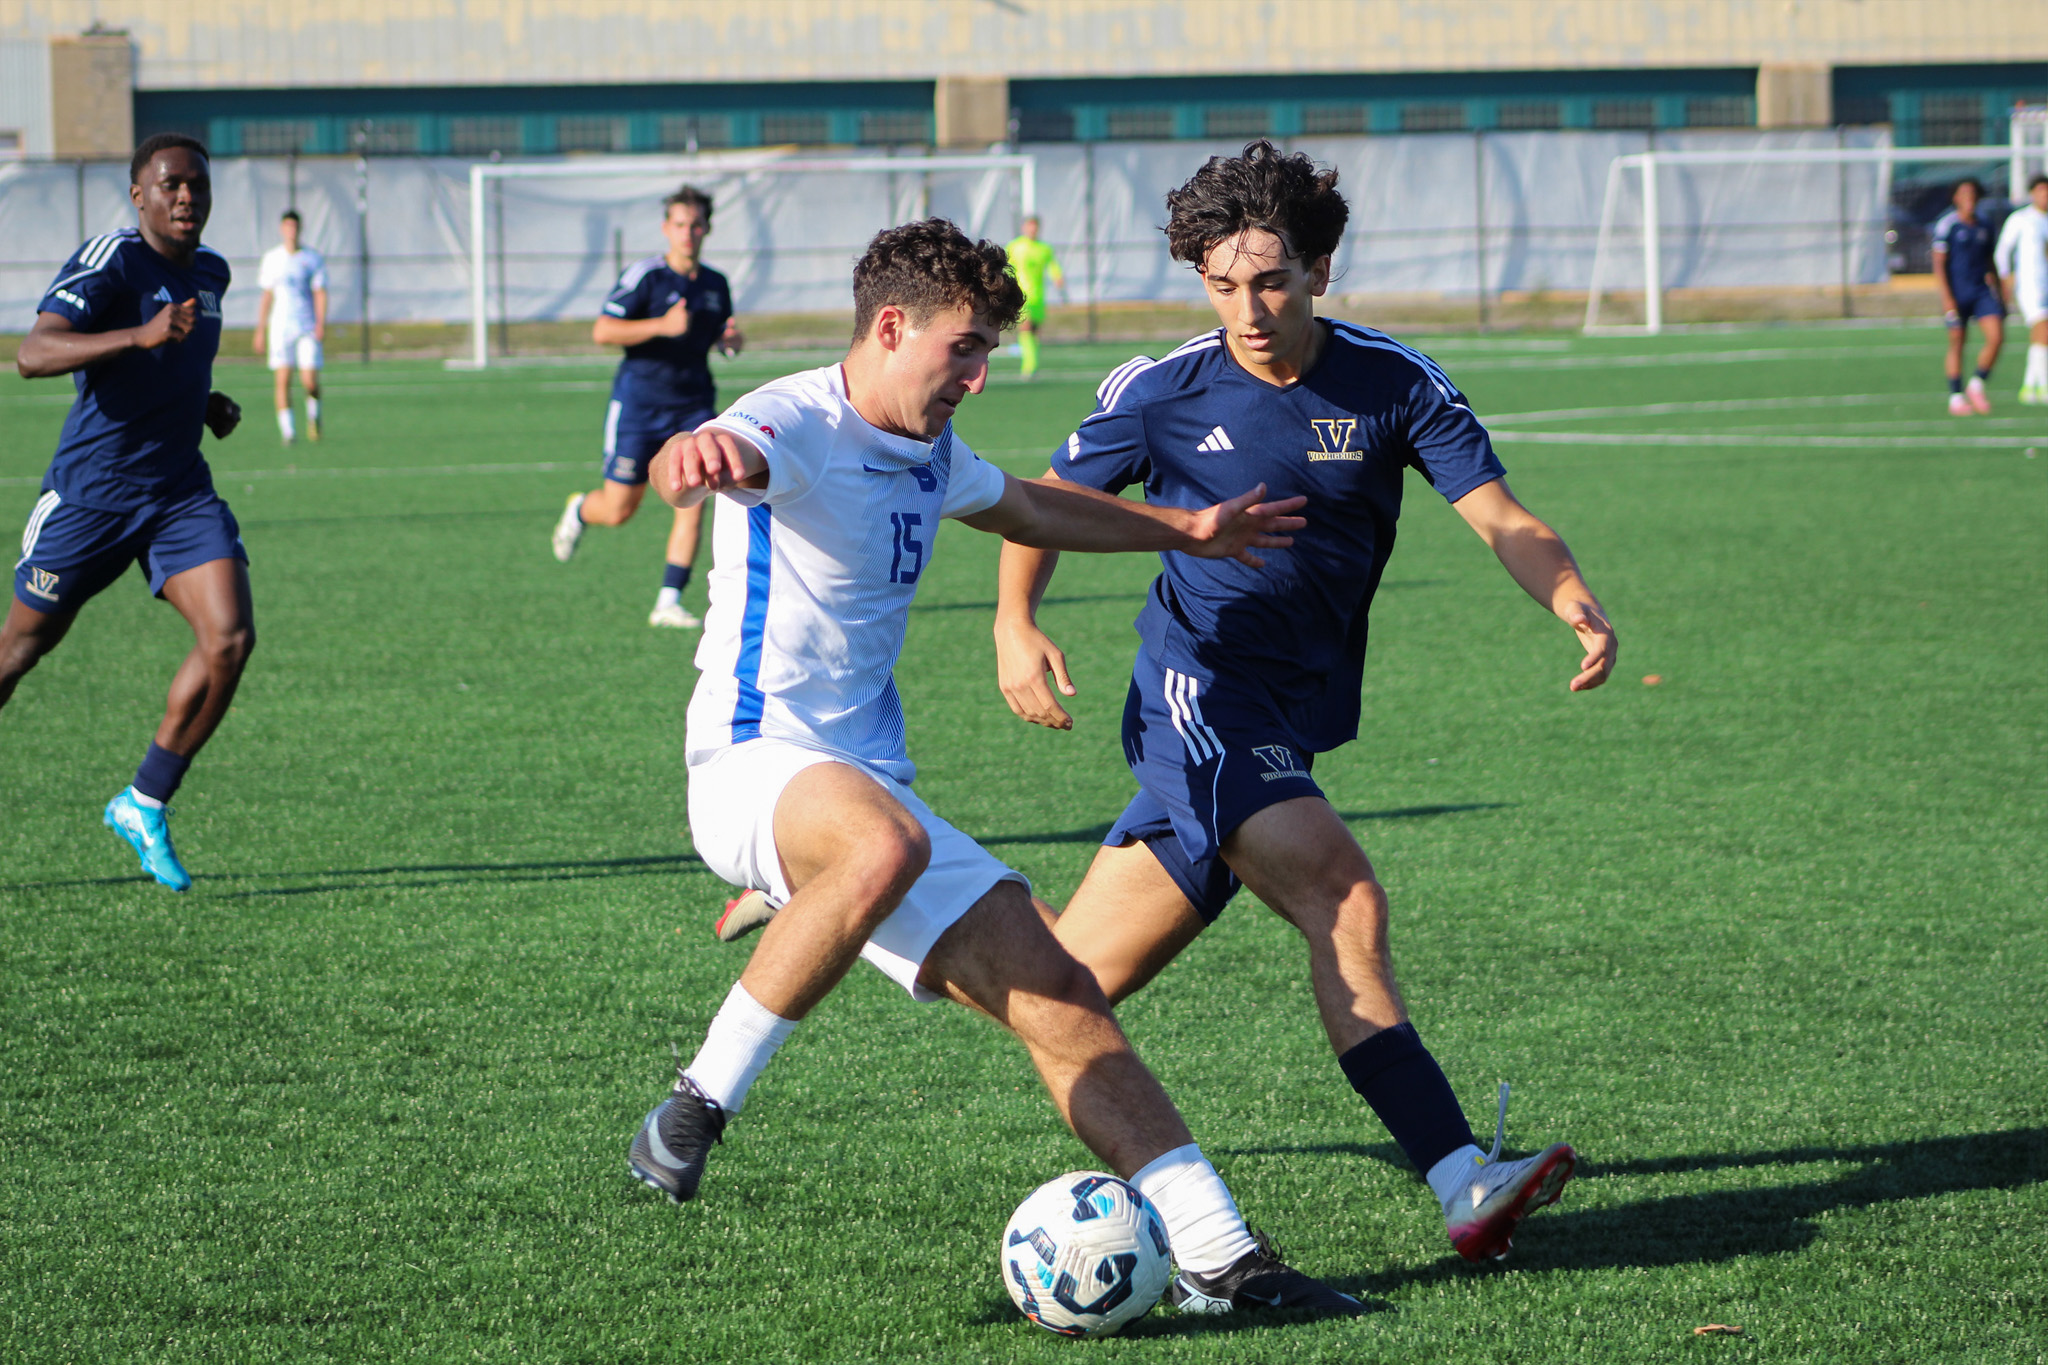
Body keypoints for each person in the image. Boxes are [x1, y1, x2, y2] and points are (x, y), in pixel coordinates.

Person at [630, 218, 1359, 1317]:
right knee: (885, 843)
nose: (975, 375)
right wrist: (695, 453)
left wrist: (1188, 529)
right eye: (961, 349)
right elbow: (724, 446)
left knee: (1060, 993)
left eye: (982, 352)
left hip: (868, 787)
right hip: (751, 761)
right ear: (889, 327)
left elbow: (1027, 504)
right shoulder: (792, 418)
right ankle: (691, 1107)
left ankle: (1222, 1258)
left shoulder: (929, 449)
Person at [991, 142, 1618, 1264]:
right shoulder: (1162, 390)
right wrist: (1014, 622)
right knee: (1341, 894)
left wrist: (1566, 593)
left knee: (1058, 981)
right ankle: (1459, 1174)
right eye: (1222, 283)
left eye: (1270, 281)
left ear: (1320, 271)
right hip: (1198, 692)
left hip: (1289, 713)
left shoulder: (1392, 383)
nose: (1248, 308)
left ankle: (859, 897)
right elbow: (1039, 503)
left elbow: (1498, 514)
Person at [3, 134, 250, 892]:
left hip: (177, 493)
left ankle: (144, 799)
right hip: (89, 498)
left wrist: (201, 402)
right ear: (139, 195)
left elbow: (173, 358)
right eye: (171, 185)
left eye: (198, 187)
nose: (186, 198)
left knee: (230, 639)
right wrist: (138, 334)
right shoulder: (110, 258)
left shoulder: (212, 272)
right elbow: (33, 353)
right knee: (16, 654)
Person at [551, 185, 743, 629]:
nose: (688, 234)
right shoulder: (645, 276)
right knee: (619, 510)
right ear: (666, 229)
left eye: (696, 225)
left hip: (693, 405)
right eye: (680, 225)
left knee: (695, 494)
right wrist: (662, 325)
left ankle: (668, 600)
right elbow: (603, 331)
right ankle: (581, 510)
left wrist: (730, 342)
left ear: (707, 229)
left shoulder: (716, 284)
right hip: (639, 404)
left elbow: (719, 335)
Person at [252, 207, 327, 443]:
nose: (291, 231)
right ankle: (289, 432)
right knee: (283, 379)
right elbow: (267, 296)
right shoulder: (272, 259)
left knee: (309, 380)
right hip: (280, 327)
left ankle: (314, 418)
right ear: (282, 229)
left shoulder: (311, 258)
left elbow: (320, 292)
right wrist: (260, 330)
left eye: (294, 227)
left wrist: (320, 323)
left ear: (300, 229)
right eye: (287, 227)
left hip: (306, 326)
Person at [1932, 178, 2005, 415]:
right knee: (1957, 342)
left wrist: (2000, 290)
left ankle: (1976, 384)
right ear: (1955, 197)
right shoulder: (1947, 225)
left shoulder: (1984, 224)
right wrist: (1947, 298)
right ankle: (1955, 397)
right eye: (1963, 194)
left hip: (1981, 292)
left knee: (1996, 337)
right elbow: (1939, 265)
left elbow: (1990, 260)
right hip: (1957, 294)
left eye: (1972, 193)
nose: (1969, 198)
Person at [1995, 173, 2048, 405]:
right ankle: (2043, 386)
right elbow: (2002, 250)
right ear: (2032, 194)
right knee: (2043, 330)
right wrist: (2007, 278)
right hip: (2029, 286)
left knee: (2042, 336)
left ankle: (2030, 386)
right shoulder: (2021, 219)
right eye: (2040, 191)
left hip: (2046, 285)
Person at [1005, 215, 1064, 380]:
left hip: (1039, 297)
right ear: (1024, 228)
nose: (1032, 230)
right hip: (1022, 296)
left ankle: (1033, 365)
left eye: (1035, 227)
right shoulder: (1015, 246)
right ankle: (1029, 367)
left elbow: (1053, 266)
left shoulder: (1044, 248)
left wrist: (1058, 277)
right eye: (1029, 226)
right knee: (1026, 327)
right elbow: (1006, 267)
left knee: (1035, 332)